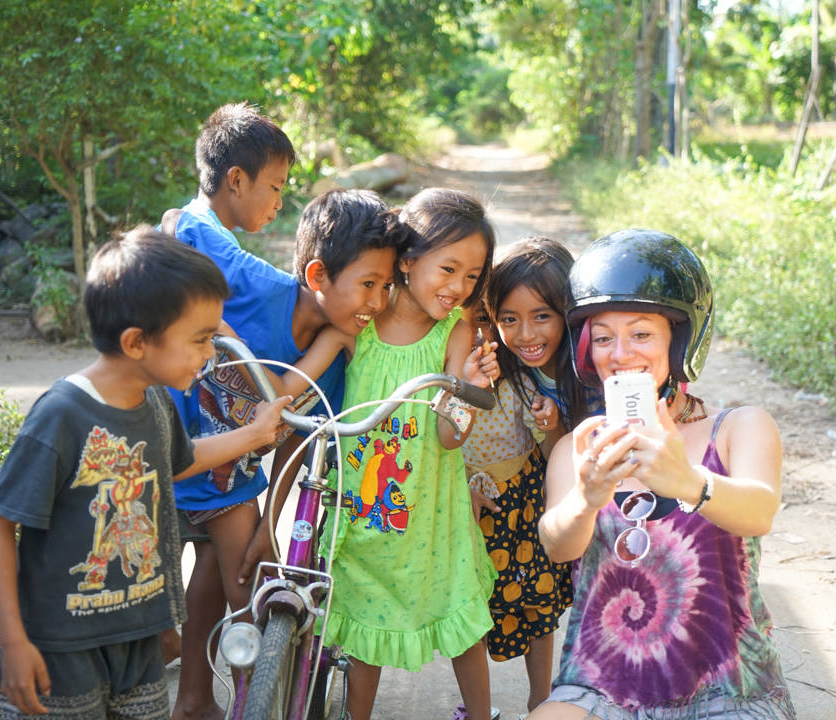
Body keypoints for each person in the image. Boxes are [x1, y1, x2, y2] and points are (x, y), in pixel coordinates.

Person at [0, 227, 292, 720]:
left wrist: (255, 434)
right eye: (200, 339)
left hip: (140, 649)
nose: (211, 354)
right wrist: (14, 643)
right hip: (61, 653)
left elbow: (181, 460)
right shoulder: (62, 414)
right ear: (137, 342)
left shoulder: (154, 402)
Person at [166, 104, 404, 720]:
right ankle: (184, 685)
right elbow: (187, 225)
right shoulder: (250, 281)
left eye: (387, 289)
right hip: (173, 452)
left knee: (235, 579)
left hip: (233, 478)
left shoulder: (341, 355)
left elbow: (306, 438)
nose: (376, 305)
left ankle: (214, 699)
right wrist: (325, 342)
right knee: (158, 606)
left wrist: (276, 514)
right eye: (368, 286)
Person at [532, 229, 796, 719]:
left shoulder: (738, 428)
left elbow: (760, 511)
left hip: (730, 688)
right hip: (601, 687)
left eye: (640, 334)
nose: (620, 353)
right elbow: (556, 544)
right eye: (604, 338)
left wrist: (688, 482)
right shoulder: (577, 447)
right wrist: (587, 498)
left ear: (679, 342)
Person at [318, 187, 500, 720]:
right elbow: (298, 379)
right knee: (363, 631)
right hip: (363, 516)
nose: (458, 286)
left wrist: (463, 388)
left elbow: (449, 437)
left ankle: (482, 715)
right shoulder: (361, 323)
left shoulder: (456, 331)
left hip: (433, 519)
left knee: (461, 619)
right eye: (448, 269)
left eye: (472, 275)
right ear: (408, 259)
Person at [461, 237, 581, 715]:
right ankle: (477, 708)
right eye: (509, 319)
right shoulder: (490, 363)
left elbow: (558, 454)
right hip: (478, 503)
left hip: (531, 497)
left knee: (539, 598)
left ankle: (541, 698)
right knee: (471, 607)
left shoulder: (580, 367)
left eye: (541, 316)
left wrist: (553, 426)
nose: (525, 333)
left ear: (567, 312)